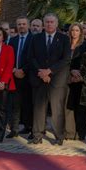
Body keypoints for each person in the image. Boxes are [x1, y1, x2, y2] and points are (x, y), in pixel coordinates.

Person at [28, 13, 71, 145]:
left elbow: (66, 59)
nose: (49, 24)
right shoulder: (36, 38)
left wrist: (50, 71)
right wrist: (41, 72)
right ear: (43, 23)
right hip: (39, 78)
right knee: (39, 109)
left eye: (52, 22)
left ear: (56, 24)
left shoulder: (64, 39)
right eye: (47, 22)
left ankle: (59, 137)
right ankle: (37, 136)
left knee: (57, 110)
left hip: (57, 80)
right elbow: (31, 57)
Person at [7, 16, 33, 139]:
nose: (21, 26)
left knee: (29, 104)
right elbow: (9, 58)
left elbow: (34, 58)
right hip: (14, 76)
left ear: (28, 25)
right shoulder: (12, 40)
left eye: (23, 24)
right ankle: (14, 129)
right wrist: (14, 70)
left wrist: (23, 70)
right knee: (15, 104)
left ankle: (31, 128)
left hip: (29, 77)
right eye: (19, 24)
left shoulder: (34, 39)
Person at [65, 23, 86, 140]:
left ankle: (81, 133)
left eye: (77, 30)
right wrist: (70, 71)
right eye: (72, 30)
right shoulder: (65, 44)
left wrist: (78, 73)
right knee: (68, 106)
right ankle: (69, 132)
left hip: (80, 79)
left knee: (81, 108)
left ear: (81, 32)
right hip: (66, 78)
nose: (74, 33)